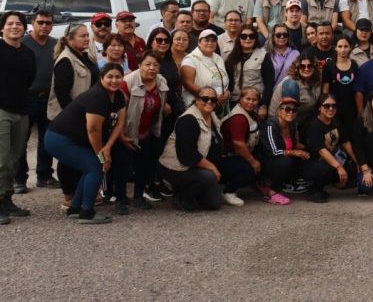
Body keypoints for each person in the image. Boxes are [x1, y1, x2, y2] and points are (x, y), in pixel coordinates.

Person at [43, 64, 126, 224]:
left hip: (75, 139)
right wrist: (101, 154)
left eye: (118, 77)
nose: (114, 80)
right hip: (59, 139)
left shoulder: (119, 96)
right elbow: (93, 130)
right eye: (110, 77)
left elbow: (119, 123)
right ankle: (87, 212)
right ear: (101, 78)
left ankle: (75, 208)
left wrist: (108, 147)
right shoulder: (97, 97)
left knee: (93, 167)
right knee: (96, 167)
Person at [158, 86, 249, 212]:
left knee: (214, 203)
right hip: (178, 167)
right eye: (205, 99)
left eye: (213, 99)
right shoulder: (188, 119)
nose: (209, 102)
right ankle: (181, 195)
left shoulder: (212, 115)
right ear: (197, 100)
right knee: (210, 177)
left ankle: (196, 189)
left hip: (200, 164)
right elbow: (187, 155)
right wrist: (212, 168)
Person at [113, 52, 169, 214]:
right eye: (147, 64)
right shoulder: (128, 83)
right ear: (139, 65)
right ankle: (120, 199)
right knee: (121, 167)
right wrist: (122, 136)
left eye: (155, 65)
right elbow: (118, 112)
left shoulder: (161, 81)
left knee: (143, 165)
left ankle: (138, 197)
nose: (151, 68)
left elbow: (161, 106)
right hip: (126, 132)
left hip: (147, 131)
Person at [0, 12, 37, 222]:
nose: (15, 26)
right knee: (2, 159)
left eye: (19, 23)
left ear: (24, 28)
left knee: (14, 159)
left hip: (21, 111)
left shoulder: (27, 53)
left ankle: (6, 199)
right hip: (1, 111)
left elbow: (29, 80)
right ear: (2, 28)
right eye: (10, 23)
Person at [16, 10, 57, 194]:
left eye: (48, 23)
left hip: (49, 97)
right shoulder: (22, 43)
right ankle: (19, 178)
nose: (44, 26)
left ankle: (45, 175)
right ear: (32, 23)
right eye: (40, 22)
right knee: (21, 140)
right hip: (27, 97)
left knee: (47, 139)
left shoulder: (56, 44)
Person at [301, 93, 351, 203]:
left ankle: (334, 183)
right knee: (326, 169)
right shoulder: (314, 125)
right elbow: (322, 151)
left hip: (330, 158)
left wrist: (357, 163)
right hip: (312, 162)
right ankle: (314, 189)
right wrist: (339, 167)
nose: (331, 109)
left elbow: (345, 142)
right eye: (327, 106)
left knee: (351, 166)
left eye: (334, 106)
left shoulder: (335, 120)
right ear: (319, 107)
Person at [258, 97, 309, 205]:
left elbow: (294, 145)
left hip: (279, 159)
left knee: (305, 156)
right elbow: (273, 152)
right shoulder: (270, 125)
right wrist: (294, 152)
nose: (291, 112)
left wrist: (310, 149)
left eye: (294, 110)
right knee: (286, 161)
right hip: (265, 162)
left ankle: (289, 183)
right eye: (287, 109)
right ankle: (272, 192)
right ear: (279, 110)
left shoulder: (292, 125)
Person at [219, 87, 263, 207]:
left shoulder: (252, 114)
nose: (251, 102)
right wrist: (253, 162)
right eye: (247, 99)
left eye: (254, 100)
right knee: (250, 169)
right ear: (240, 99)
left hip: (239, 155)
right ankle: (229, 191)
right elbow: (238, 144)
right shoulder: (238, 118)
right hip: (225, 158)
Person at [225, 25, 269, 117]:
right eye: (244, 36)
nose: (248, 39)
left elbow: (269, 83)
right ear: (239, 38)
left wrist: (263, 105)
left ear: (255, 38)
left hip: (254, 103)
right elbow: (228, 80)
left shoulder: (263, 55)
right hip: (235, 101)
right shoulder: (231, 57)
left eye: (251, 36)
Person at [269, 56, 323, 130]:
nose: (306, 69)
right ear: (297, 68)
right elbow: (287, 113)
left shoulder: (316, 81)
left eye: (310, 66)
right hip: (281, 123)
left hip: (301, 121)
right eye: (302, 66)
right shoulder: (291, 84)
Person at [180, 29, 229, 110]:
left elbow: (223, 78)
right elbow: (188, 84)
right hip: (200, 104)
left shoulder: (219, 58)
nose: (210, 43)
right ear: (199, 42)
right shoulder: (190, 59)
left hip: (219, 105)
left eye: (213, 41)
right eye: (206, 40)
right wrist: (212, 96)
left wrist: (226, 91)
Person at [322, 37, 358, 129]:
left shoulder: (354, 65)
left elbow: (357, 89)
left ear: (350, 48)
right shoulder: (329, 66)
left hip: (351, 107)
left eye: (346, 46)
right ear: (335, 47)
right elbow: (325, 90)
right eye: (340, 46)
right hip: (334, 108)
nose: (343, 50)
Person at [266, 23, 300, 89]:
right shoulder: (266, 53)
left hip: (289, 90)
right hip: (271, 91)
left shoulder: (296, 53)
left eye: (285, 35)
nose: (282, 37)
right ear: (272, 37)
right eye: (278, 35)